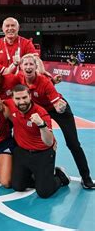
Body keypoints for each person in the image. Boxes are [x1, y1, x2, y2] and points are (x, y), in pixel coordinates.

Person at [18, 54, 95, 189]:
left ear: (36, 67)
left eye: (31, 64)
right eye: (26, 65)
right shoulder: (19, 78)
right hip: (40, 112)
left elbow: (57, 103)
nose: (28, 67)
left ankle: (86, 177)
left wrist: (60, 107)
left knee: (73, 144)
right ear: (21, 67)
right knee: (39, 141)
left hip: (58, 110)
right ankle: (41, 172)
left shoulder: (44, 81)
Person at [6, 84, 71, 198]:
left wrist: (41, 125)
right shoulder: (10, 105)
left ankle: (60, 177)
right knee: (18, 186)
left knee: (44, 192)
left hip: (42, 153)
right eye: (18, 98)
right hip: (22, 152)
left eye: (24, 98)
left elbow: (49, 142)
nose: (22, 102)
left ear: (30, 96)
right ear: (12, 99)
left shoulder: (41, 113)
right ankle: (39, 176)